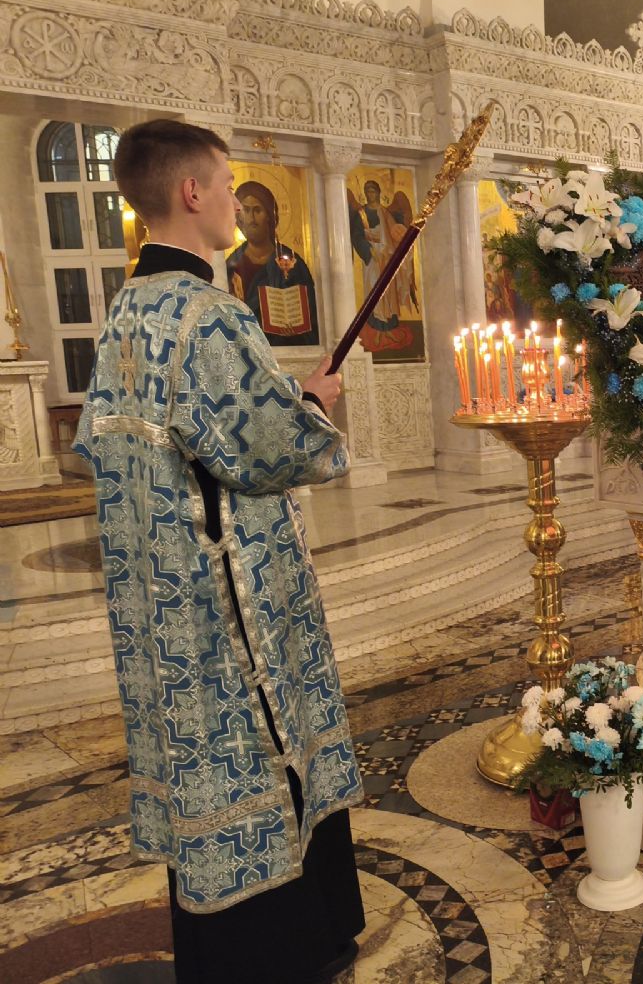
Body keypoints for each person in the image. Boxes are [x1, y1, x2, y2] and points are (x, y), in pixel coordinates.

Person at [74, 119, 364, 984]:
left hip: (164, 599)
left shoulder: (126, 313)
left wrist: (287, 396)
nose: (238, 198)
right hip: (229, 598)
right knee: (265, 747)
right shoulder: (207, 314)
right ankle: (290, 949)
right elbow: (274, 449)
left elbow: (174, 437)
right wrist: (312, 408)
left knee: (202, 759)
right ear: (191, 191)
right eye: (229, 182)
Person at [227, 179, 321, 347]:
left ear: (269, 216)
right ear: (239, 217)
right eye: (246, 210)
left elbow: (312, 313)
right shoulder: (232, 265)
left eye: (258, 210)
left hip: (288, 349)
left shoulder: (292, 262)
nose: (252, 218)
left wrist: (297, 327)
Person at [348, 179, 416, 352]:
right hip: (372, 258)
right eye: (367, 192)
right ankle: (377, 329)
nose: (370, 195)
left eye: (373, 191)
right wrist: (370, 250)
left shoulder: (386, 212)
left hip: (387, 255)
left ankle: (390, 328)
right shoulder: (361, 214)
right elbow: (356, 236)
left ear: (379, 192)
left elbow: (396, 233)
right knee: (373, 288)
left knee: (389, 290)